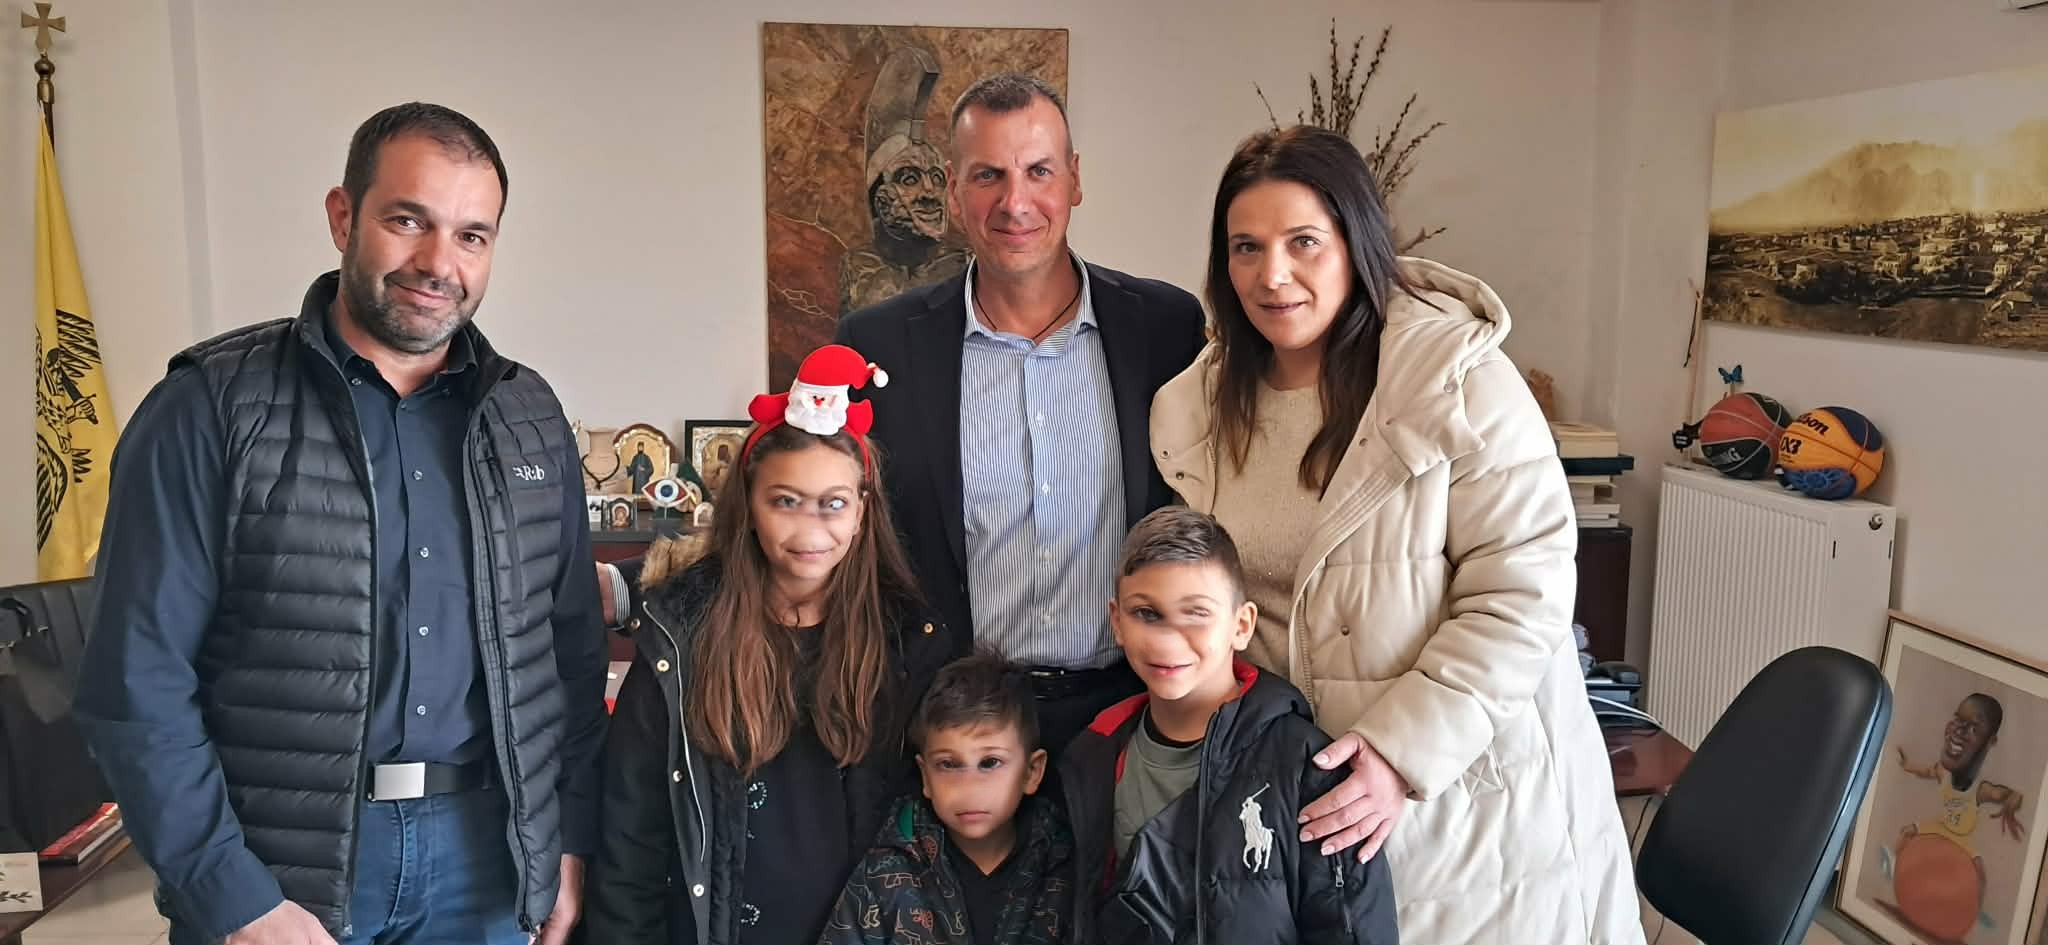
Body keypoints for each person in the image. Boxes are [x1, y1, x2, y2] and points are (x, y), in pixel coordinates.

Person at [72, 102, 606, 945]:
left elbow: (570, 659)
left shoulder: (529, 415)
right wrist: (231, 895)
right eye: (408, 221)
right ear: (342, 217)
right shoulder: (209, 406)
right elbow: (135, 682)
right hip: (281, 871)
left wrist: (568, 842)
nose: (439, 263)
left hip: (489, 869)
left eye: (472, 235)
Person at [1148, 124, 1642, 941]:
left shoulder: (1459, 380)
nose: (1273, 274)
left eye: (1304, 241)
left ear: (1356, 241)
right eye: (1246, 247)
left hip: (1459, 800)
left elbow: (1523, 597)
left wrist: (1398, 753)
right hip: (1293, 807)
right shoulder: (1199, 407)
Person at [835, 71, 1207, 752]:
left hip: (1130, 717)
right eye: (988, 176)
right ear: (955, 190)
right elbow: (834, 526)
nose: (1015, 202)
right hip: (952, 731)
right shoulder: (879, 344)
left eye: (1038, 171)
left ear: (1074, 179)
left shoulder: (1166, 328)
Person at [584, 344, 954, 945]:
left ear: (862, 511)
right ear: (749, 506)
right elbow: (632, 839)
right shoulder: (682, 640)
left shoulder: (908, 643)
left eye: (834, 504)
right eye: (785, 501)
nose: (811, 529)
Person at [1060, 507, 1397, 944]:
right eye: (1147, 613)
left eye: (1196, 613)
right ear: (1117, 622)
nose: (1167, 639)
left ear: (1242, 626)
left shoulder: (1306, 767)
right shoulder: (1088, 760)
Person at [820, 649, 1072, 945]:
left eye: (990, 763)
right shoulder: (884, 873)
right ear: (925, 776)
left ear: (1032, 772)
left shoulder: (1064, 868)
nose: (969, 787)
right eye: (948, 764)